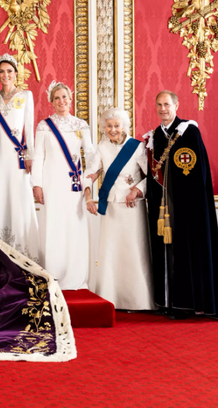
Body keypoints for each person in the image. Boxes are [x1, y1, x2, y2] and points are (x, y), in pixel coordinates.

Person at [145, 90, 218, 320]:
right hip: (162, 208)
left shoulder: (189, 132)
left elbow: (198, 173)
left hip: (188, 208)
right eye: (159, 105)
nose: (163, 109)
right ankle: (167, 303)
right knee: (165, 253)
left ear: (176, 105)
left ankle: (188, 305)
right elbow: (151, 173)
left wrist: (185, 201)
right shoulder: (155, 137)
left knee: (186, 251)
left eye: (167, 104)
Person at [83, 108, 153, 310]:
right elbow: (91, 172)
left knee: (134, 251)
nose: (113, 129)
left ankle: (140, 300)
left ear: (124, 126)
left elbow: (152, 176)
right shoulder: (102, 146)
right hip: (112, 206)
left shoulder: (137, 147)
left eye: (116, 125)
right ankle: (112, 298)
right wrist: (88, 196)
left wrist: (138, 191)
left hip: (133, 207)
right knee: (112, 252)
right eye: (109, 126)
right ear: (103, 128)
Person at [31, 81, 94, 290]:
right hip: (51, 183)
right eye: (57, 98)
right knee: (54, 226)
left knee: (73, 226)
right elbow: (38, 156)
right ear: (51, 101)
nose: (61, 101)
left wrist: (91, 177)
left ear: (71, 99)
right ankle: (54, 273)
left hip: (73, 184)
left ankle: (75, 274)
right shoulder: (44, 125)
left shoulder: (81, 125)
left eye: (65, 97)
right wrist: (37, 184)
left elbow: (91, 154)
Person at [0, 53, 40, 260]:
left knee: (20, 199)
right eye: (2, 71)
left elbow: (29, 128)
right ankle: (2, 248)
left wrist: (30, 155)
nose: (5, 75)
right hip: (0, 157)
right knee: (1, 196)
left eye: (9, 71)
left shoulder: (26, 96)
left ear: (16, 74)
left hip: (19, 159)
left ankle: (24, 250)